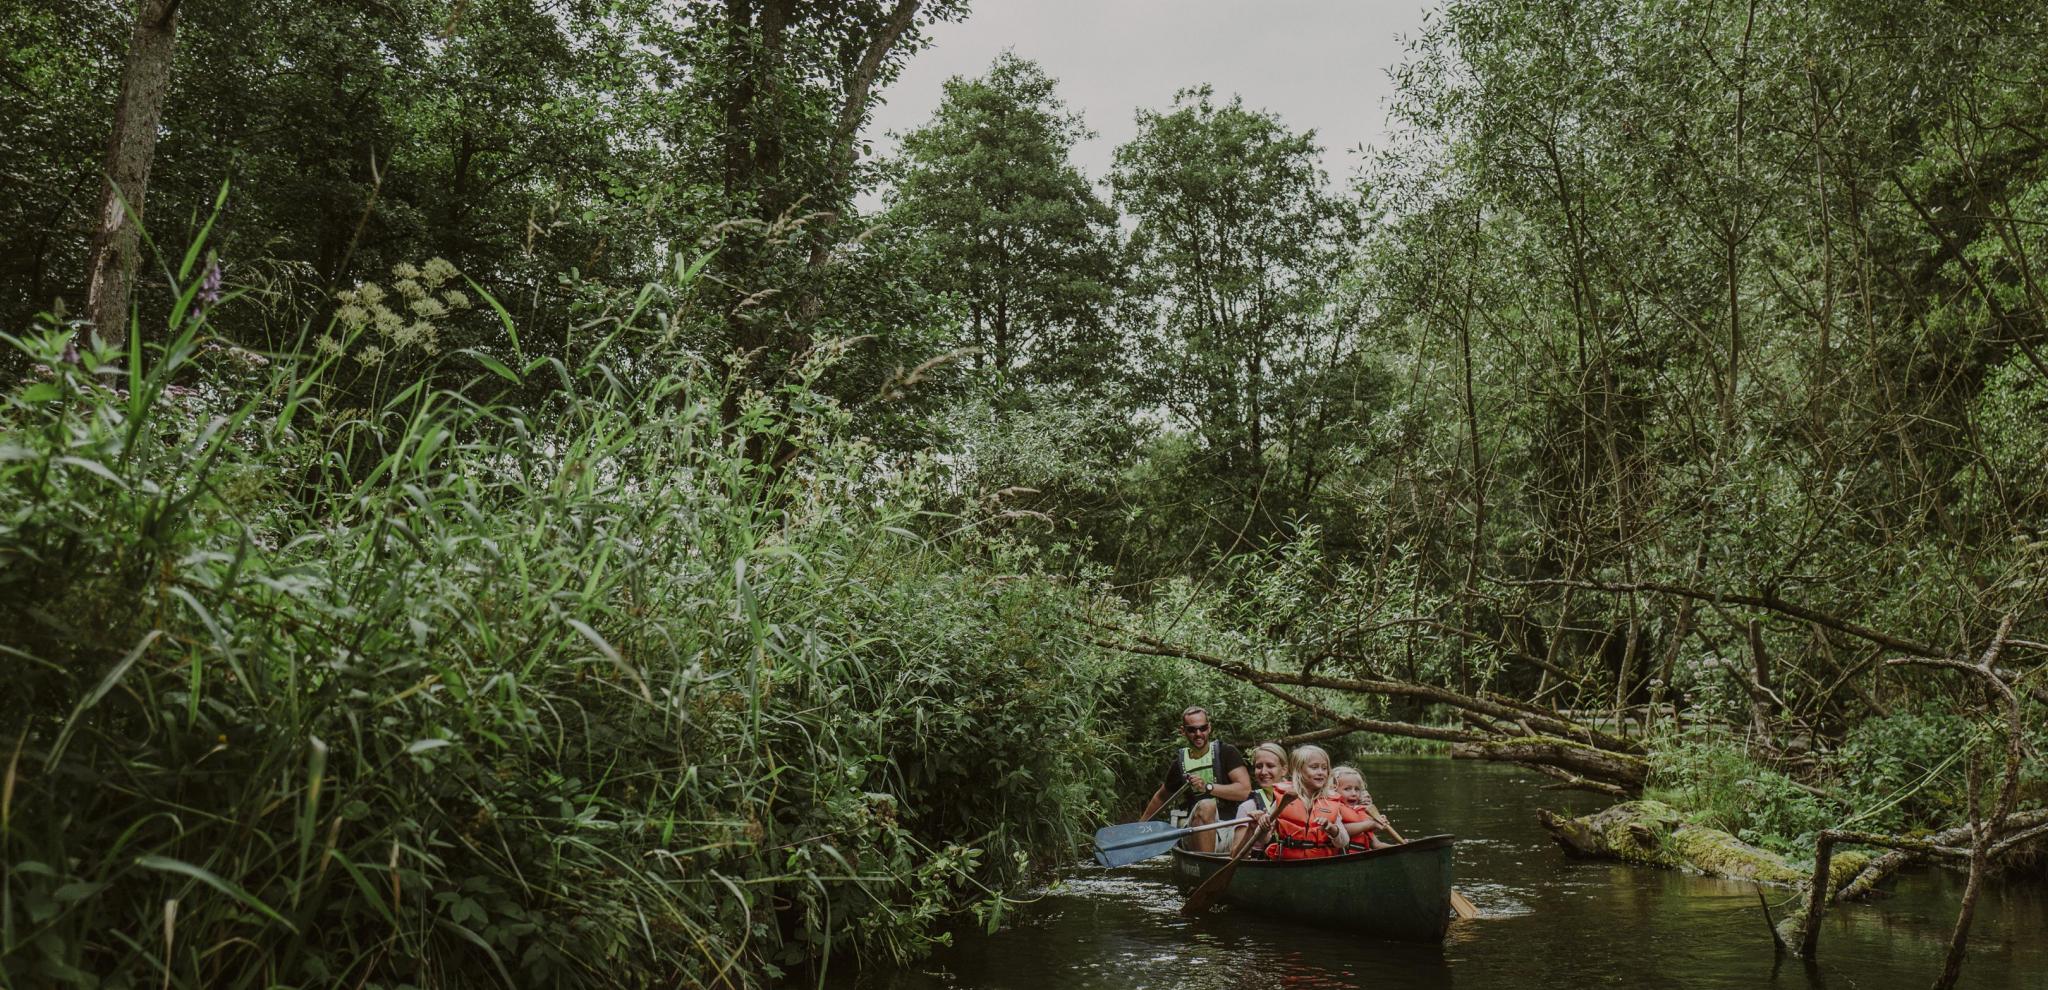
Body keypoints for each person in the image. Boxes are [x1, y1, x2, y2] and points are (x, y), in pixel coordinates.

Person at [1134, 706, 1251, 852]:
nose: (1198, 734)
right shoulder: (1179, 764)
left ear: (1209, 728)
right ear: (1183, 731)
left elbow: (1244, 791)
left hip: (1229, 830)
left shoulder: (1227, 753)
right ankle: (1206, 864)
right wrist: (1139, 827)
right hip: (1195, 831)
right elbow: (1162, 797)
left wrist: (1207, 787)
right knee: (1207, 805)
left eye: (1202, 728)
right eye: (1192, 730)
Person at [1254, 745, 1364, 860]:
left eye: (1324, 768)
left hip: (1321, 863)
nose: (1320, 772)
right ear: (1299, 770)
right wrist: (1264, 826)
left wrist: (1332, 829)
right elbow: (1262, 839)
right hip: (1288, 863)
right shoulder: (1285, 798)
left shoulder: (1330, 800)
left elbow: (1343, 842)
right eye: (1314, 767)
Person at [1226, 742, 1288, 856]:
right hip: (1264, 865)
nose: (1263, 772)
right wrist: (1251, 829)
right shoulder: (1247, 808)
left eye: (1270, 766)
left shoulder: (1301, 798)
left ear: (1284, 770)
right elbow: (1235, 855)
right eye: (1259, 767)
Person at [1329, 765, 1389, 851]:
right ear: (1333, 790)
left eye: (1357, 789)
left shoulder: (1360, 814)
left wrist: (1401, 846)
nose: (1354, 793)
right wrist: (1371, 824)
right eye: (1347, 789)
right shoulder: (1334, 808)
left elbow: (1377, 845)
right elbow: (1342, 831)